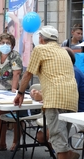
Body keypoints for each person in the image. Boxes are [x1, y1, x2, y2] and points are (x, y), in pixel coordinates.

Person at [14, 25, 80, 159]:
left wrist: (20, 93)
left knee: (58, 141)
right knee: (62, 140)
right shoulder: (63, 51)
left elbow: (28, 74)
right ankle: (71, 155)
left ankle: (70, 155)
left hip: (55, 99)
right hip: (72, 98)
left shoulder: (39, 49)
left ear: (41, 39)